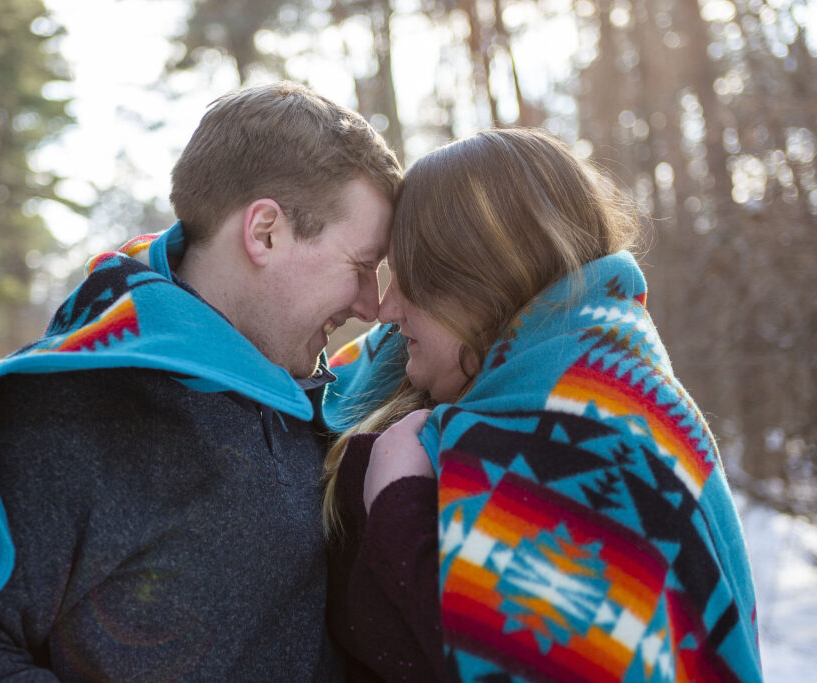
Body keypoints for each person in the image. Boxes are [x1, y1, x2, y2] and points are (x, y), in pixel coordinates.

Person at [0, 81, 401, 681]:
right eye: (361, 267)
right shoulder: (67, 407)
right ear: (265, 232)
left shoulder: (310, 394)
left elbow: (474, 329)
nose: (373, 304)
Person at [321, 129, 763, 682]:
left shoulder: (600, 436)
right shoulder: (467, 371)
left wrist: (398, 502)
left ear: (479, 280)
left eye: (411, 278)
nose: (385, 308)